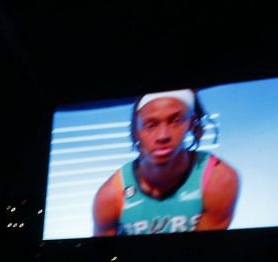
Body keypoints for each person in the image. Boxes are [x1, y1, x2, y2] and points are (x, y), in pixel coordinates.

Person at [92, 90, 239, 235]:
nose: (163, 136)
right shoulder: (110, 196)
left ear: (191, 124)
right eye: (151, 125)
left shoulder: (219, 180)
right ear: (136, 131)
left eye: (175, 121)